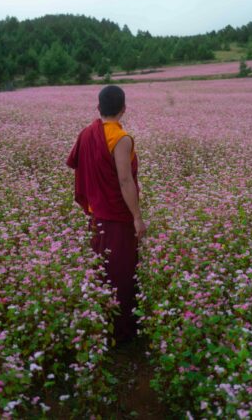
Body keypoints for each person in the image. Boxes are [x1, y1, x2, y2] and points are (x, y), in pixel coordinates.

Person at [66, 85, 147, 343]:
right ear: (124, 109)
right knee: (121, 273)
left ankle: (100, 327)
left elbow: (77, 165)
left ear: (98, 107)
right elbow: (125, 181)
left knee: (102, 270)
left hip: (97, 215)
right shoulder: (120, 138)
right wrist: (137, 217)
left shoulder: (87, 133)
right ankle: (122, 335)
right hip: (118, 218)